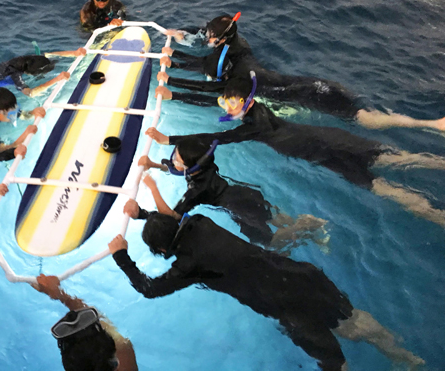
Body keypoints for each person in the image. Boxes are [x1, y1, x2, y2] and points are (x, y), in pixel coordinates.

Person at [108, 200, 424, 371]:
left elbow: (149, 289)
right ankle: (407, 359)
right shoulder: (201, 220)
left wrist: (122, 257)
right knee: (353, 321)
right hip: (302, 275)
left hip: (287, 306)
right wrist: (144, 214)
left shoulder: (187, 266)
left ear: (163, 252)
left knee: (333, 362)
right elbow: (176, 219)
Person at [147, 74, 445, 227]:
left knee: (392, 167)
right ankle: (436, 213)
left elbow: (218, 138)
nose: (227, 107)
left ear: (247, 102)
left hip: (330, 145)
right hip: (323, 149)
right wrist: (175, 91)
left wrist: (169, 139)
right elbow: (216, 101)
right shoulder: (255, 111)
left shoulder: (256, 125)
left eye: (232, 103)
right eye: (226, 103)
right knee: (387, 178)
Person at [159, 14, 445, 132]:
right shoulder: (238, 47)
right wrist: (183, 40)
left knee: (362, 119)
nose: (208, 39)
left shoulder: (235, 71)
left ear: (221, 41)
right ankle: (432, 124)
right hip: (312, 86)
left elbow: (211, 89)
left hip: (301, 94)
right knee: (361, 115)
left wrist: (172, 79)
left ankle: (431, 124)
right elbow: (209, 51)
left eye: (211, 37)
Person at [137, 137, 328, 252]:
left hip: (239, 207)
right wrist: (153, 165)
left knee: (269, 243)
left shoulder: (197, 190)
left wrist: (153, 188)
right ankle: (306, 227)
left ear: (192, 167)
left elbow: (171, 216)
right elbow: (178, 169)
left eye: (176, 159)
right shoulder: (204, 166)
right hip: (246, 194)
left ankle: (306, 225)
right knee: (273, 218)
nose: (172, 162)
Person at [34, 274, 138, 371]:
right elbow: (120, 343)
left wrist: (58, 294)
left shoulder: (125, 355)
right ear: (116, 362)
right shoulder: (126, 358)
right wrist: (60, 294)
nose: (70, 317)